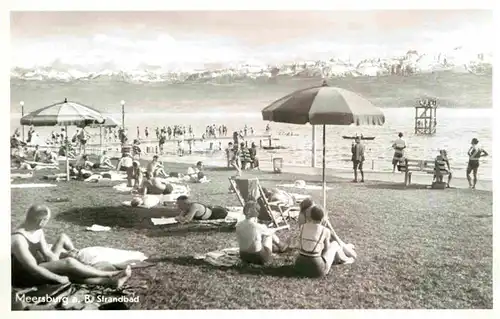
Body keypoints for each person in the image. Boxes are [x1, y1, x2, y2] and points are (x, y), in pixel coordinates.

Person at [11, 205, 131, 288]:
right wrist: (57, 277)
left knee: (69, 270)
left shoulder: (37, 229)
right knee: (69, 264)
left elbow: (47, 253)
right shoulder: (18, 239)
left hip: (39, 265)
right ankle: (109, 275)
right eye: (47, 220)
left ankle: (111, 282)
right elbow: (32, 269)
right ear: (41, 221)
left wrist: (58, 264)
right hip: (24, 275)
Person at [294, 206, 352, 278]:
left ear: (311, 217)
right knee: (335, 244)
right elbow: (326, 249)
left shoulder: (303, 227)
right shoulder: (325, 230)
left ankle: (341, 259)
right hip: (316, 269)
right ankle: (344, 259)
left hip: (299, 265)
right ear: (323, 219)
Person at [235, 201, 289, 265]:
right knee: (269, 234)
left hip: (244, 256)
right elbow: (269, 232)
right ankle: (281, 246)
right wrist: (273, 230)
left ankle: (280, 246)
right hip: (258, 258)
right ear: (257, 214)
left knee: (260, 235)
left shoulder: (238, 225)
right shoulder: (258, 226)